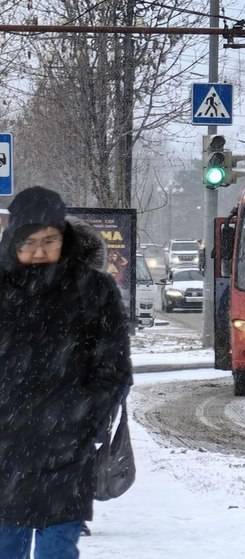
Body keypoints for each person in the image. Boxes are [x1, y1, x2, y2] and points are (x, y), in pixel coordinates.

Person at [0, 186, 133, 559]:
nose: (39, 251)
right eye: (29, 242)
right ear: (12, 238)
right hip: (5, 448)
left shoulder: (93, 291)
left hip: (66, 449)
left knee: (57, 549)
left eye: (49, 240)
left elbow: (114, 368)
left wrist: (84, 420)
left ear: (64, 237)